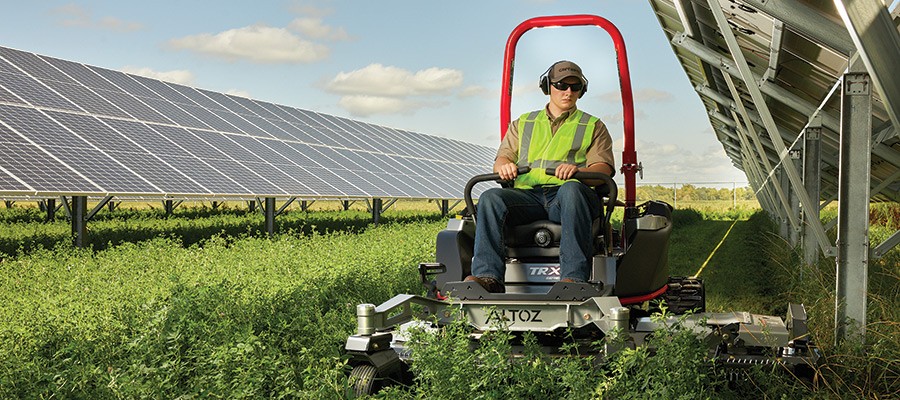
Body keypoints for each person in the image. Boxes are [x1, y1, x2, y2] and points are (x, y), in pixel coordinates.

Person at [465, 60, 615, 294]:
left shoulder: (593, 126)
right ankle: (488, 278)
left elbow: (603, 169)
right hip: (527, 198)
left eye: (575, 87)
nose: (568, 92)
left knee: (571, 190)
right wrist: (504, 166)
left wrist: (577, 173)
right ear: (547, 86)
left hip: (568, 198)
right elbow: (502, 158)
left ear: (581, 91)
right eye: (561, 85)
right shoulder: (523, 123)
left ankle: (573, 280)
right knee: (491, 197)